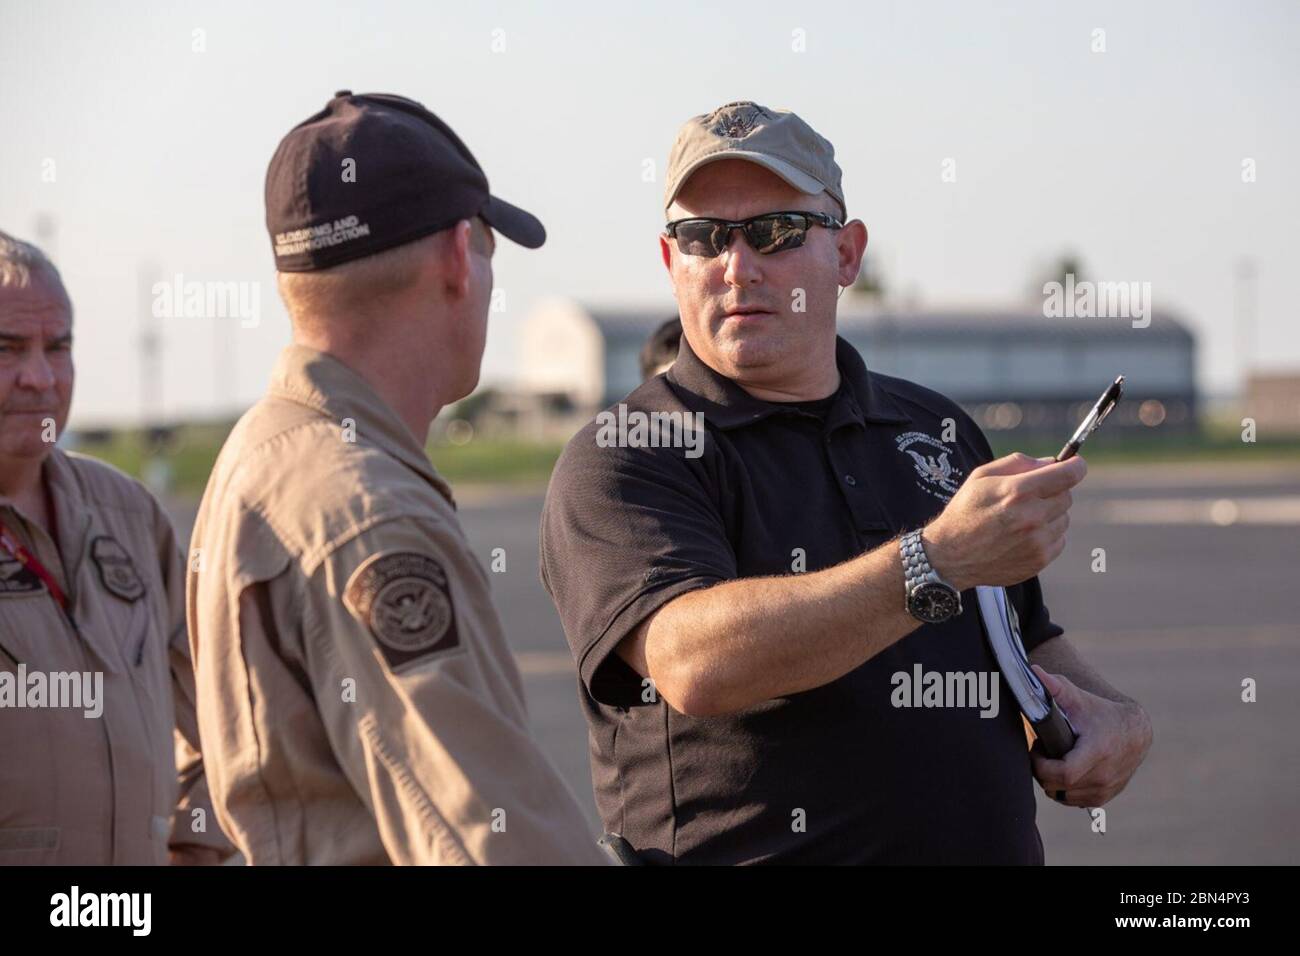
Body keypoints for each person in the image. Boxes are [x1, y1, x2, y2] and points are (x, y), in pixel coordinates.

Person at [540, 100, 1153, 864]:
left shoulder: (936, 428)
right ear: (672, 264)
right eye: (704, 237)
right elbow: (694, 664)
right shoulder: (628, 453)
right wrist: (934, 560)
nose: (737, 264)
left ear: (847, 254)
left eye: (775, 231)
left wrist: (1117, 720)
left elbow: (1020, 637)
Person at [187, 91, 605, 865]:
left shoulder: (261, 456)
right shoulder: (368, 514)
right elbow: (487, 834)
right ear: (455, 258)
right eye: (487, 251)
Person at [0, 230, 229, 865]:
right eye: (7, 349)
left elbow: (224, 718)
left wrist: (197, 849)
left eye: (59, 347)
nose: (40, 377)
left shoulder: (128, 516)